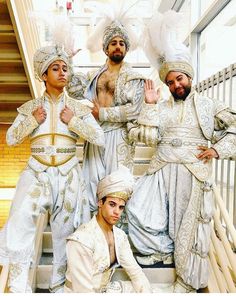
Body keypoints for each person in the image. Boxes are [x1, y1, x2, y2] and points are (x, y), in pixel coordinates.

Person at [127, 10, 236, 293]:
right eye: (171, 82)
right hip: (160, 170)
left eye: (180, 79)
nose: (176, 85)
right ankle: (161, 253)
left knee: (186, 229)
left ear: (189, 76)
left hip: (192, 172)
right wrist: (149, 106)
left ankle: (187, 281)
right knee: (137, 210)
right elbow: (143, 137)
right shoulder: (160, 108)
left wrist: (216, 150)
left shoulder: (209, 106)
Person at [0, 45, 105, 293]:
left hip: (69, 175)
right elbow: (11, 138)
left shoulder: (79, 108)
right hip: (36, 173)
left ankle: (58, 286)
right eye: (55, 68)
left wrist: (74, 121)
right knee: (20, 225)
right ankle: (16, 286)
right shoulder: (30, 108)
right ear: (44, 75)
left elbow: (99, 137)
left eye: (65, 68)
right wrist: (31, 121)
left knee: (64, 232)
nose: (62, 73)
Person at [67, 12, 145, 214]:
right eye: (113, 43)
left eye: (121, 43)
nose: (117, 46)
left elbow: (134, 111)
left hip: (119, 136)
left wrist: (102, 113)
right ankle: (92, 229)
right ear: (106, 48)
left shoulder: (134, 78)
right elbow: (74, 89)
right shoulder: (95, 75)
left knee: (116, 183)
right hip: (95, 134)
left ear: (126, 48)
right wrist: (68, 61)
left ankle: (118, 233)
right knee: (92, 180)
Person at [64, 166, 152, 293]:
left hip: (104, 290)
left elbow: (135, 272)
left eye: (121, 207)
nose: (117, 212)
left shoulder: (120, 236)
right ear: (100, 203)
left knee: (140, 287)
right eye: (112, 204)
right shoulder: (81, 240)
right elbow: (83, 291)